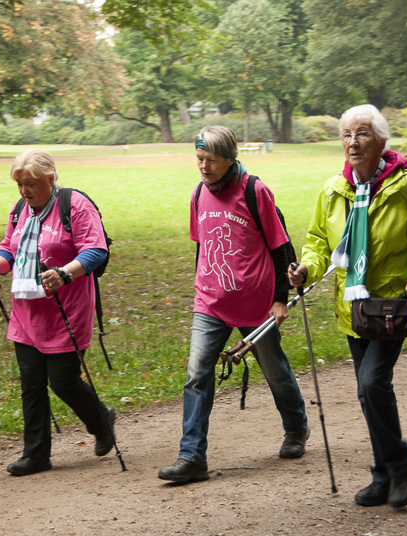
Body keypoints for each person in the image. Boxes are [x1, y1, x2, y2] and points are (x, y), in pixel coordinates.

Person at [288, 104, 407, 507]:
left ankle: (399, 466)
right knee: (368, 391)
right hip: (353, 307)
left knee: (371, 382)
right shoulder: (333, 190)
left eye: (361, 133)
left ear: (381, 140)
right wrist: (306, 267)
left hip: (393, 305)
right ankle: (384, 475)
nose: (352, 142)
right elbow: (319, 242)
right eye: (346, 135)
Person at [158, 125, 310, 484]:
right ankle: (192, 456)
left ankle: (296, 428)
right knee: (197, 373)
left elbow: (281, 248)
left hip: (257, 303)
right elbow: (203, 246)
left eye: (211, 160)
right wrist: (200, 287)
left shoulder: (256, 191)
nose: (204, 167)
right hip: (210, 301)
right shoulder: (199, 194)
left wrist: (280, 300)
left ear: (230, 159)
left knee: (274, 370)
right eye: (199, 160)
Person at [0, 148, 115, 476]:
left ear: (51, 179)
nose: (25, 191)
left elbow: (96, 250)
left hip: (67, 307)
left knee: (63, 381)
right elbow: (9, 248)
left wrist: (66, 272)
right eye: (20, 184)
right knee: (31, 381)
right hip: (27, 309)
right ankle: (35, 454)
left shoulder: (75, 205)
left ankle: (101, 420)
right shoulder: (20, 209)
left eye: (31, 183)